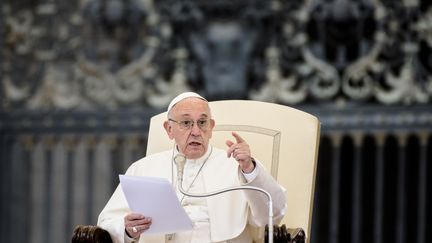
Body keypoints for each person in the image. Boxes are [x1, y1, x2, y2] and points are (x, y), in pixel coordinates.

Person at [97, 92, 287, 243]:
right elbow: (106, 222)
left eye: (202, 122)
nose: (196, 131)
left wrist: (249, 167)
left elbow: (273, 215)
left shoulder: (238, 166)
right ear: (169, 129)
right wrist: (128, 230)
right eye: (186, 123)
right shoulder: (143, 169)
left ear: (211, 127)